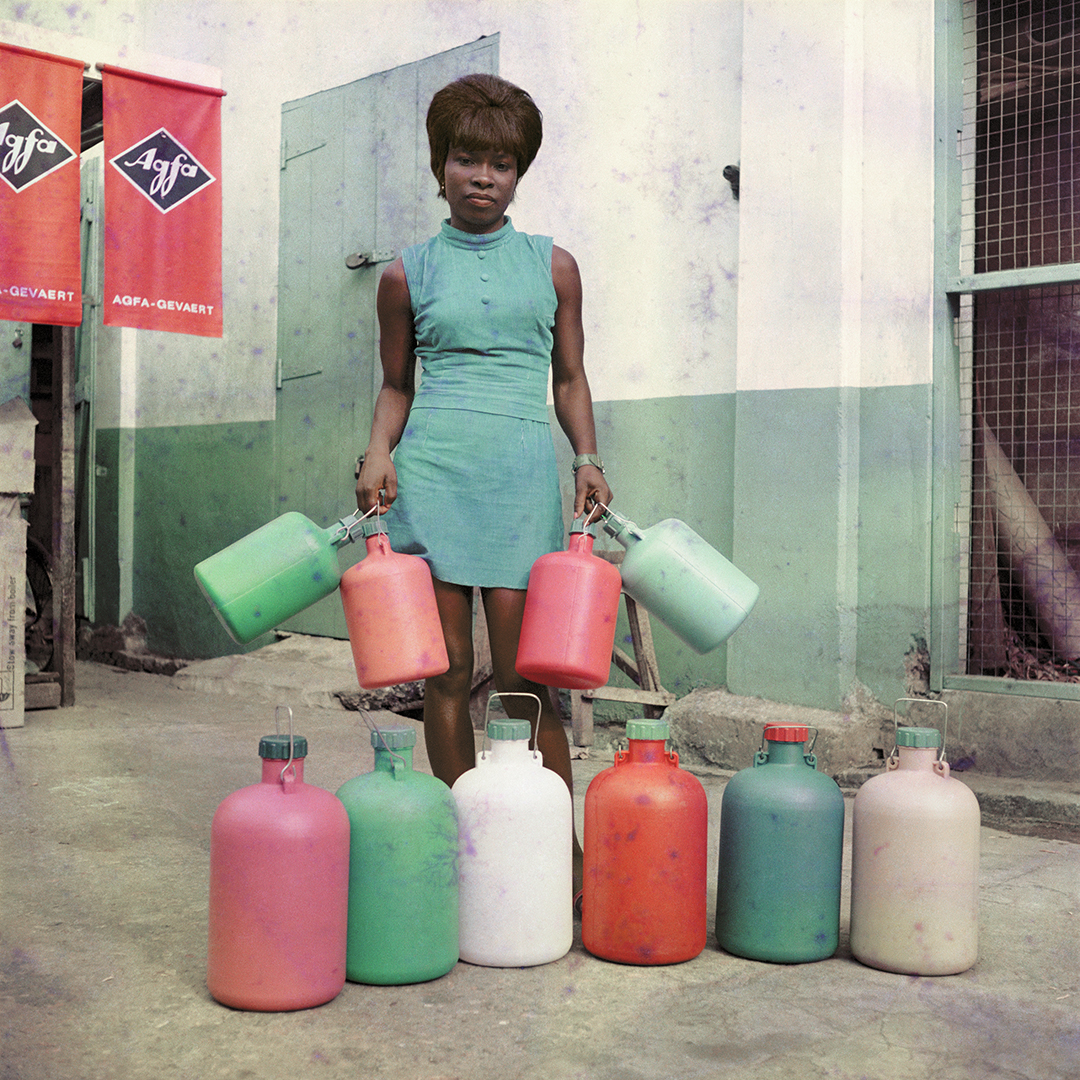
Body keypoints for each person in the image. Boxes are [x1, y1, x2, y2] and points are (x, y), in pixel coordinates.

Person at [355, 73, 612, 890]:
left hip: (519, 480)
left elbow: (569, 377)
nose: (482, 177)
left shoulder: (555, 265)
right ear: (440, 166)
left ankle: (557, 854)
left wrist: (587, 457)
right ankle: (462, 848)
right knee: (443, 670)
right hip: (432, 475)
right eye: (466, 159)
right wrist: (376, 451)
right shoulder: (405, 274)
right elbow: (397, 384)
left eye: (500, 163)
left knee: (524, 678)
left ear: (519, 173)